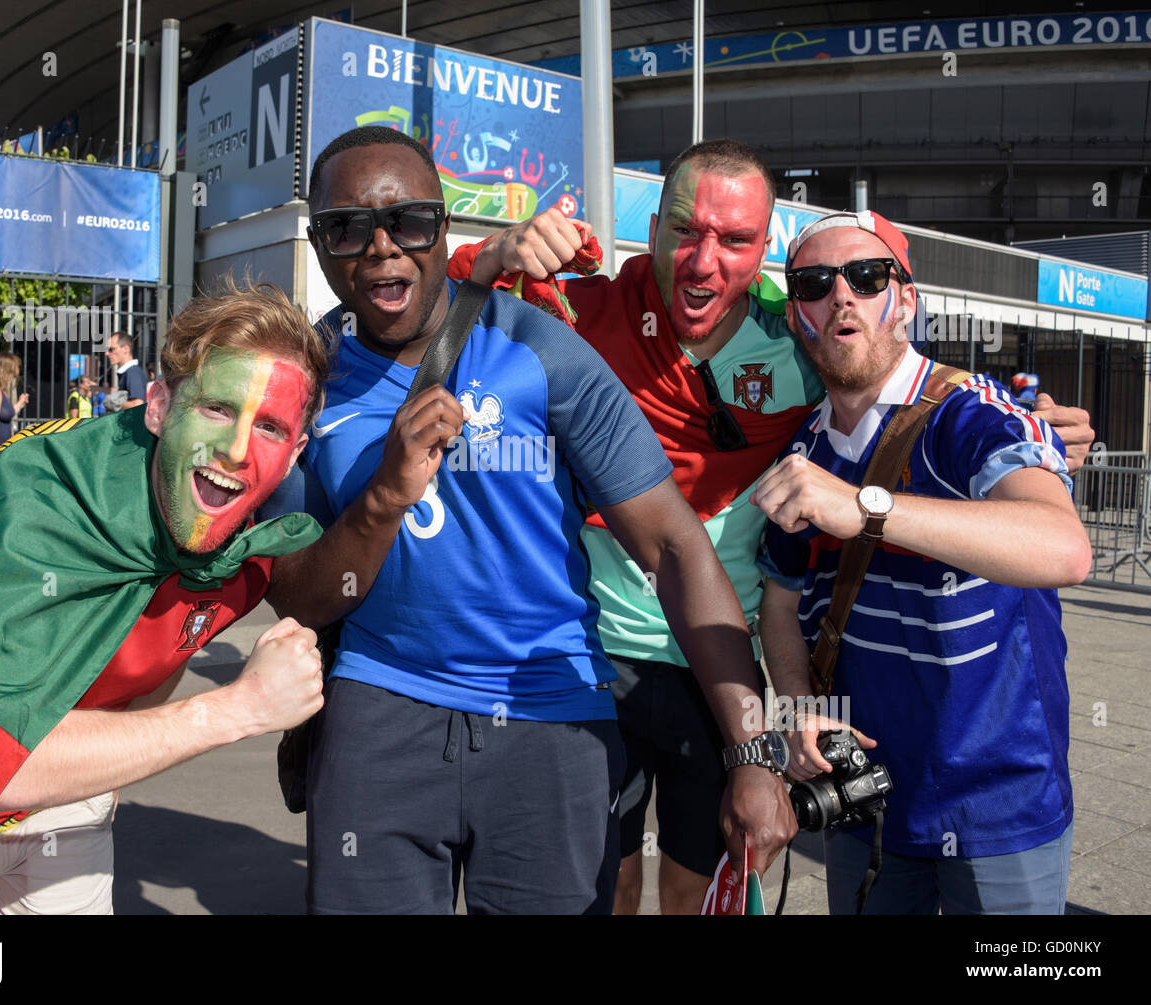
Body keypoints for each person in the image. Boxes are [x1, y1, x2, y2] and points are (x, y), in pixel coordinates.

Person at [453, 139, 1095, 914]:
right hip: (600, 658)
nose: (703, 260)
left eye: (735, 240)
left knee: (696, 884)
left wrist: (1034, 436)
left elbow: (1048, 530)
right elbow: (423, 323)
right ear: (652, 228)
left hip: (750, 683)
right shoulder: (581, 313)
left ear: (762, 258)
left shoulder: (871, 380)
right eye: (686, 230)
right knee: (606, 885)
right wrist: (490, 255)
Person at [260, 125, 793, 915]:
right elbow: (301, 596)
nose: (380, 249)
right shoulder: (303, 379)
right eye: (347, 228)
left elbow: (676, 546)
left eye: (407, 221)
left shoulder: (539, 349)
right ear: (318, 241)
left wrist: (752, 747)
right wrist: (382, 497)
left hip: (551, 717)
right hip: (381, 715)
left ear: (444, 232)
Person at [0, 284, 334, 914]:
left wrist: (103, 766)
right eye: (216, 408)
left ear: (293, 454)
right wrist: (237, 709)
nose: (238, 449)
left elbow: (164, 642)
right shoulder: (35, 496)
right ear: (158, 406)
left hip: (65, 799)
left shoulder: (249, 536)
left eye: (269, 427)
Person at [753, 210, 1091, 914]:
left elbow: (1064, 547)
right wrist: (800, 708)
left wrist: (866, 508)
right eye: (814, 282)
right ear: (798, 318)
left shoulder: (972, 412)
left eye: (867, 276)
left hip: (998, 806)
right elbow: (780, 605)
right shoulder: (801, 453)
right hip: (863, 798)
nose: (842, 295)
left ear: (905, 300)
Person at [0, 352, 29, 450]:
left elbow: (4, 413)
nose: (15, 377)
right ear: (7, 372)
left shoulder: (0, 391)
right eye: (13, 373)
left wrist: (19, 404)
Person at [107, 331, 147, 408]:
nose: (107, 353)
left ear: (126, 349)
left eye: (111, 349)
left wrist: (114, 401)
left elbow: (137, 405)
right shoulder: (129, 372)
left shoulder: (133, 373)